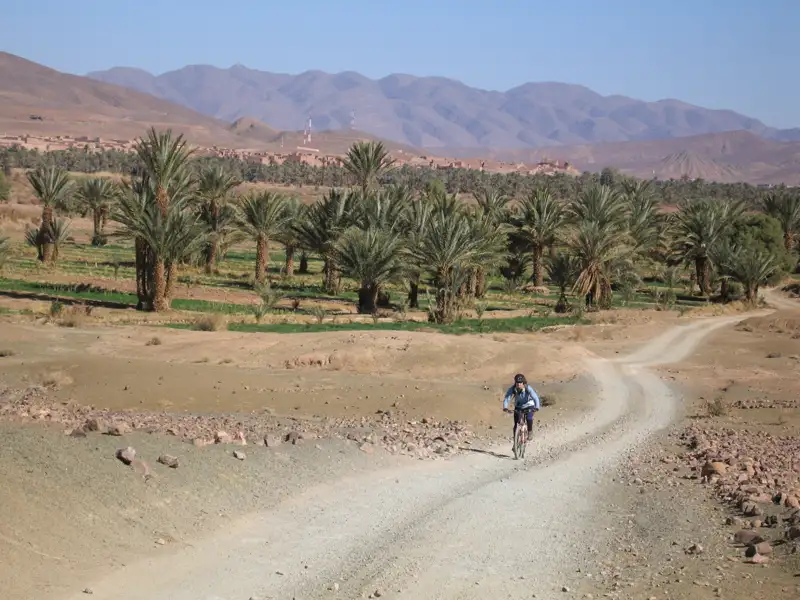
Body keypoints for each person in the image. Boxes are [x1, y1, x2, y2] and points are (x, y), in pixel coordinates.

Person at [502, 373, 541, 447]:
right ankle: (515, 442)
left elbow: (535, 397)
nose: (518, 384)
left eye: (520, 383)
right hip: (519, 406)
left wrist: (537, 407)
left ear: (523, 383)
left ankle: (530, 431)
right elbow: (507, 398)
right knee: (516, 424)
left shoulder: (528, 388)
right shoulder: (512, 389)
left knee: (529, 417)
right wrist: (505, 407)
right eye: (517, 382)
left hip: (529, 405)